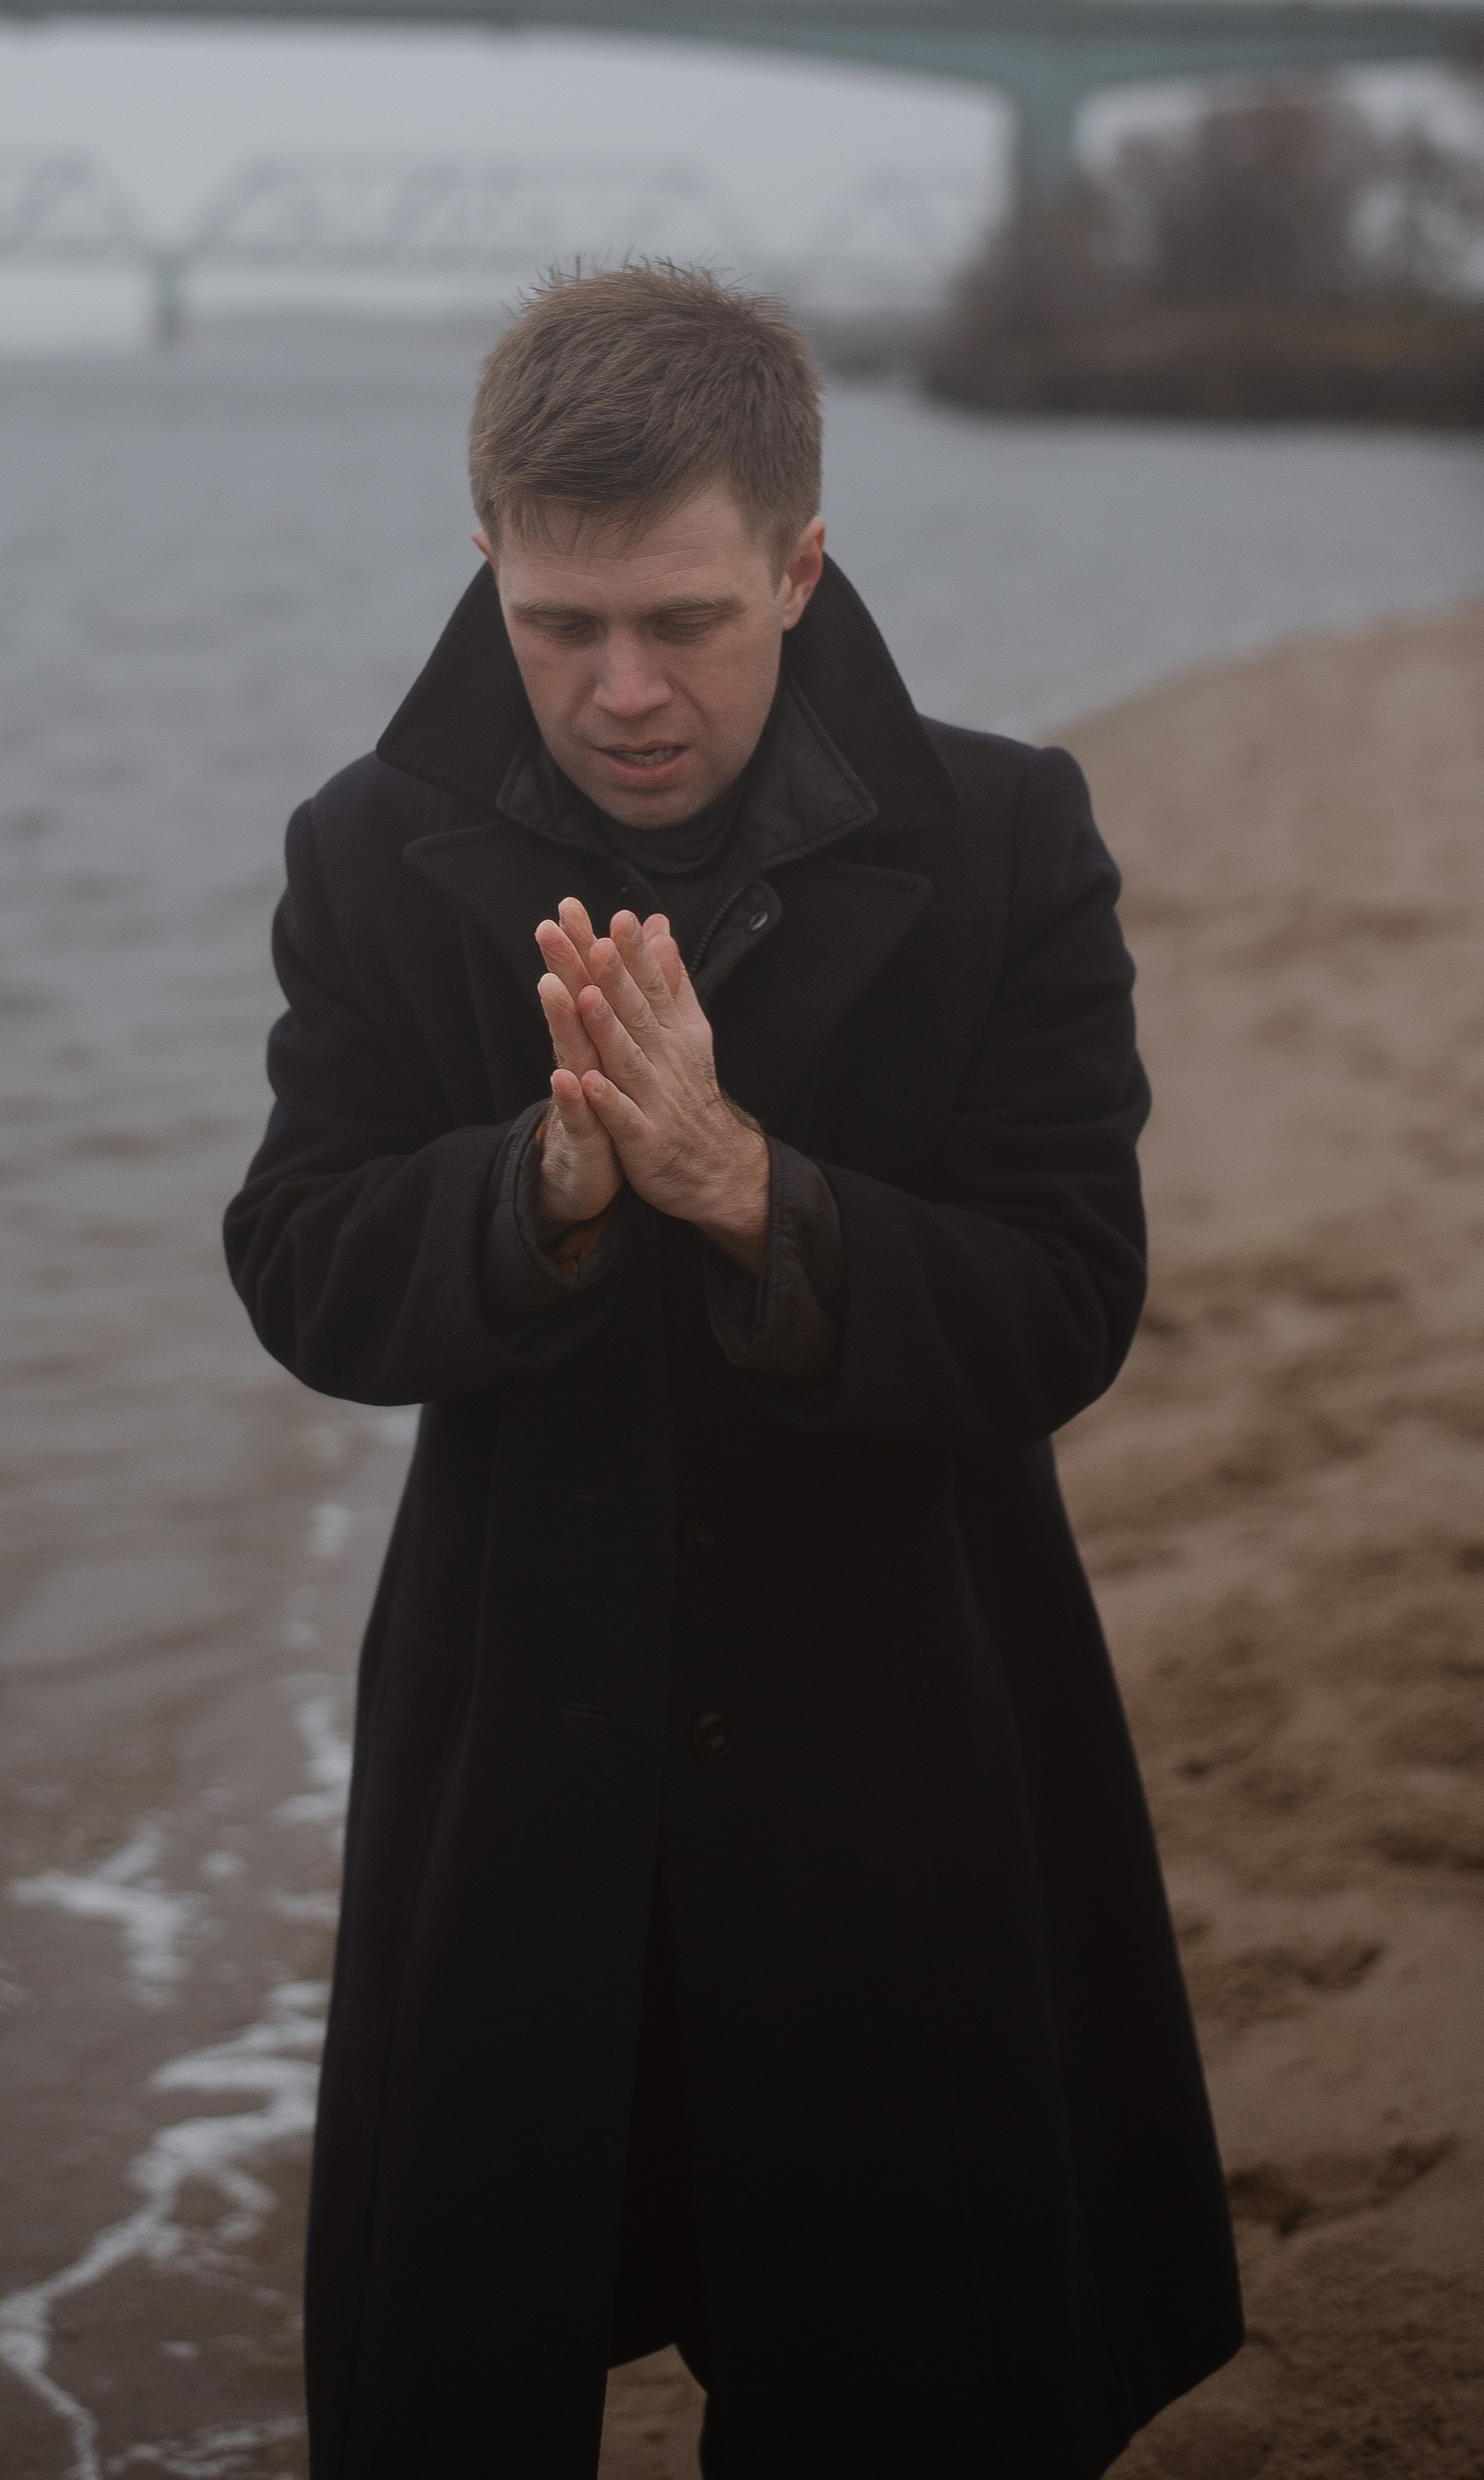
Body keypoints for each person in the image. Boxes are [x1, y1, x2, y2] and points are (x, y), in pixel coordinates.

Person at [223, 265, 1242, 2480]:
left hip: (907, 1729)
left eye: (684, 619)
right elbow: (302, 1265)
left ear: (800, 559)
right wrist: (544, 1194)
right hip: (521, 1748)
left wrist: (746, 1186)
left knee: (910, 2377)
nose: (621, 692)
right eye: (560, 621)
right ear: (485, 554)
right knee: (474, 2374)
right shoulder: (369, 857)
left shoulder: (1004, 844)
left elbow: (1069, 1298)